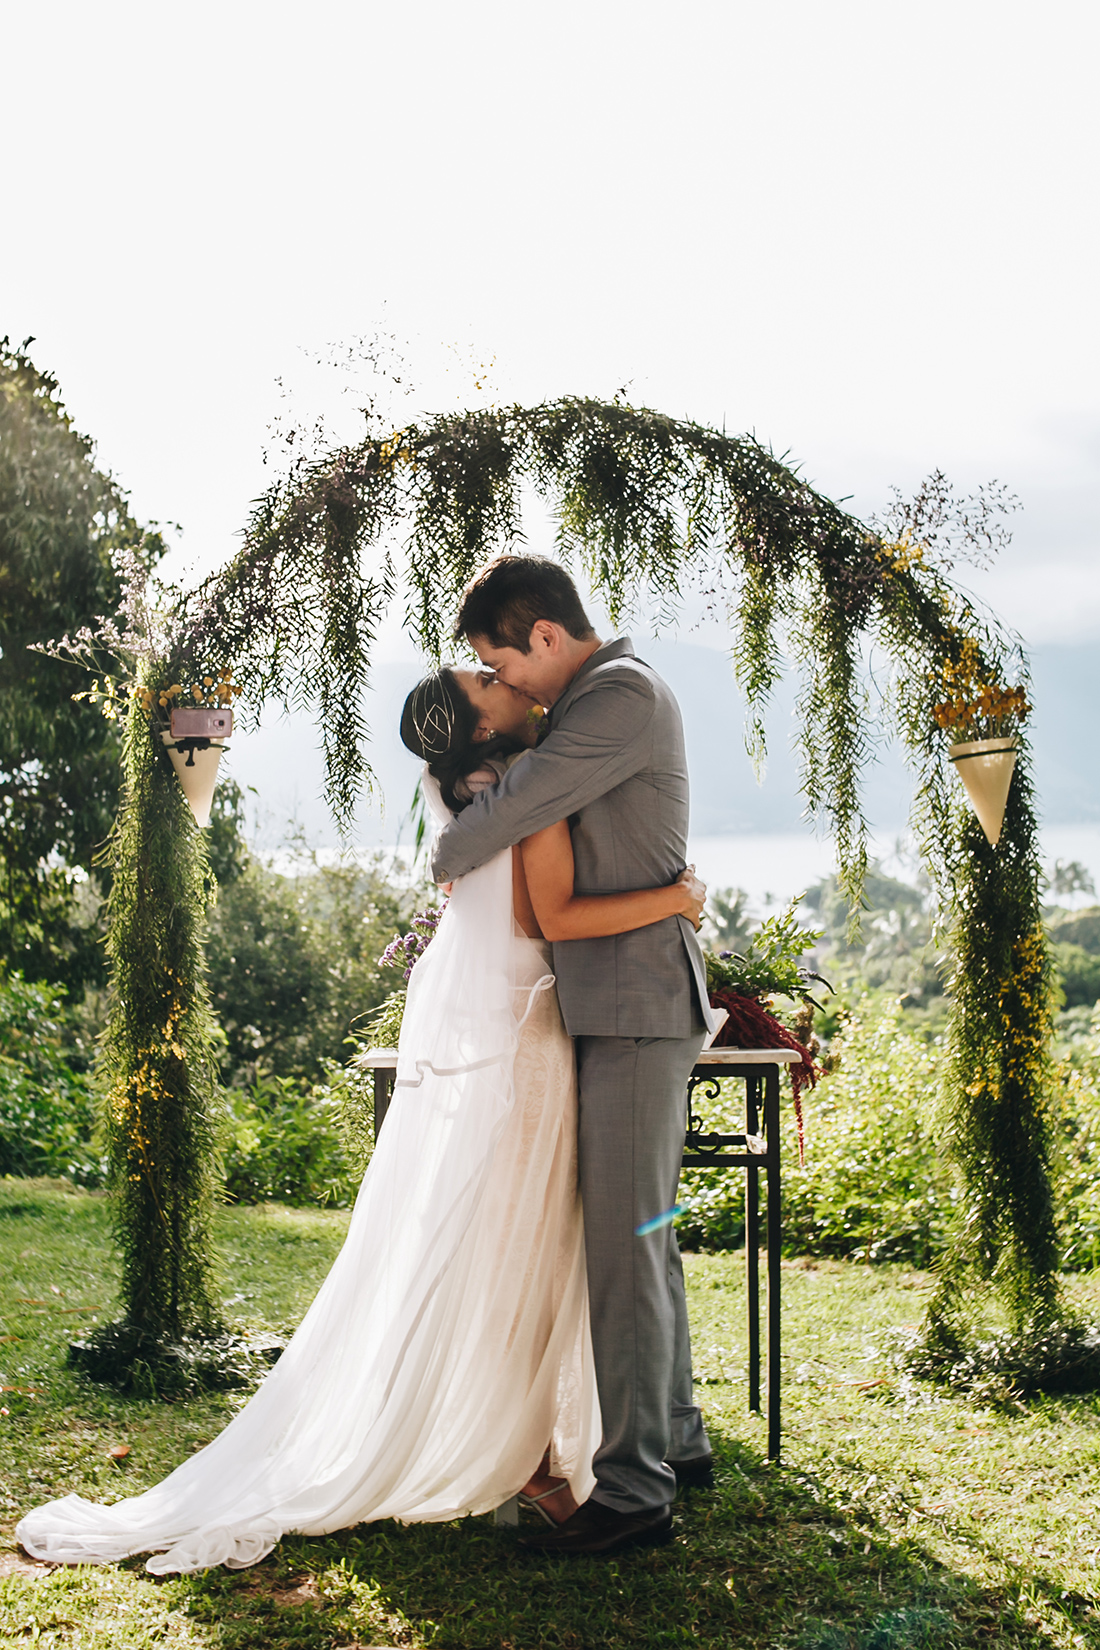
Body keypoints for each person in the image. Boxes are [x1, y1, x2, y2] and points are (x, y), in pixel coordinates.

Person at [17, 658, 706, 1574]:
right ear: (484, 728)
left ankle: (541, 1449)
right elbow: (558, 917)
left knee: (513, 1253)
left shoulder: (472, 798)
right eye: (487, 679)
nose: (507, 681)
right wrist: (680, 898)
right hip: (535, 1047)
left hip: (518, 1042)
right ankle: (535, 1457)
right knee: (531, 1257)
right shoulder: (526, 798)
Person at [431, 555, 720, 1558]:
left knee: (624, 1245)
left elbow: (515, 806)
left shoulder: (618, 696)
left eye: (500, 666)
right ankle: (675, 1443)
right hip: (623, 1005)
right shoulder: (598, 698)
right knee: (643, 1236)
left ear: (543, 635)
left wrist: (440, 854)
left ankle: (634, 1491)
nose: (505, 687)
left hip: (637, 1005)